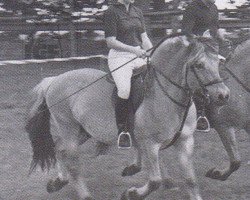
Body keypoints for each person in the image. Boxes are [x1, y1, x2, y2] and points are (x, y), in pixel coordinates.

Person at [104, 0, 153, 148]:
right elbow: (110, 42)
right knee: (124, 90)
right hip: (119, 57)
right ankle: (123, 131)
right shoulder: (111, 12)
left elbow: (144, 37)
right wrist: (134, 51)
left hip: (138, 55)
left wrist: (151, 52)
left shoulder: (137, 11)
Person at [182, 0, 230, 131]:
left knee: (224, 69)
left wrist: (221, 35)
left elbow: (215, 28)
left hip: (211, 49)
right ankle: (200, 115)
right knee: (203, 74)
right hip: (195, 49)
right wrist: (201, 38)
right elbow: (186, 33)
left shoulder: (213, 7)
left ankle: (220, 110)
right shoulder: (192, 8)